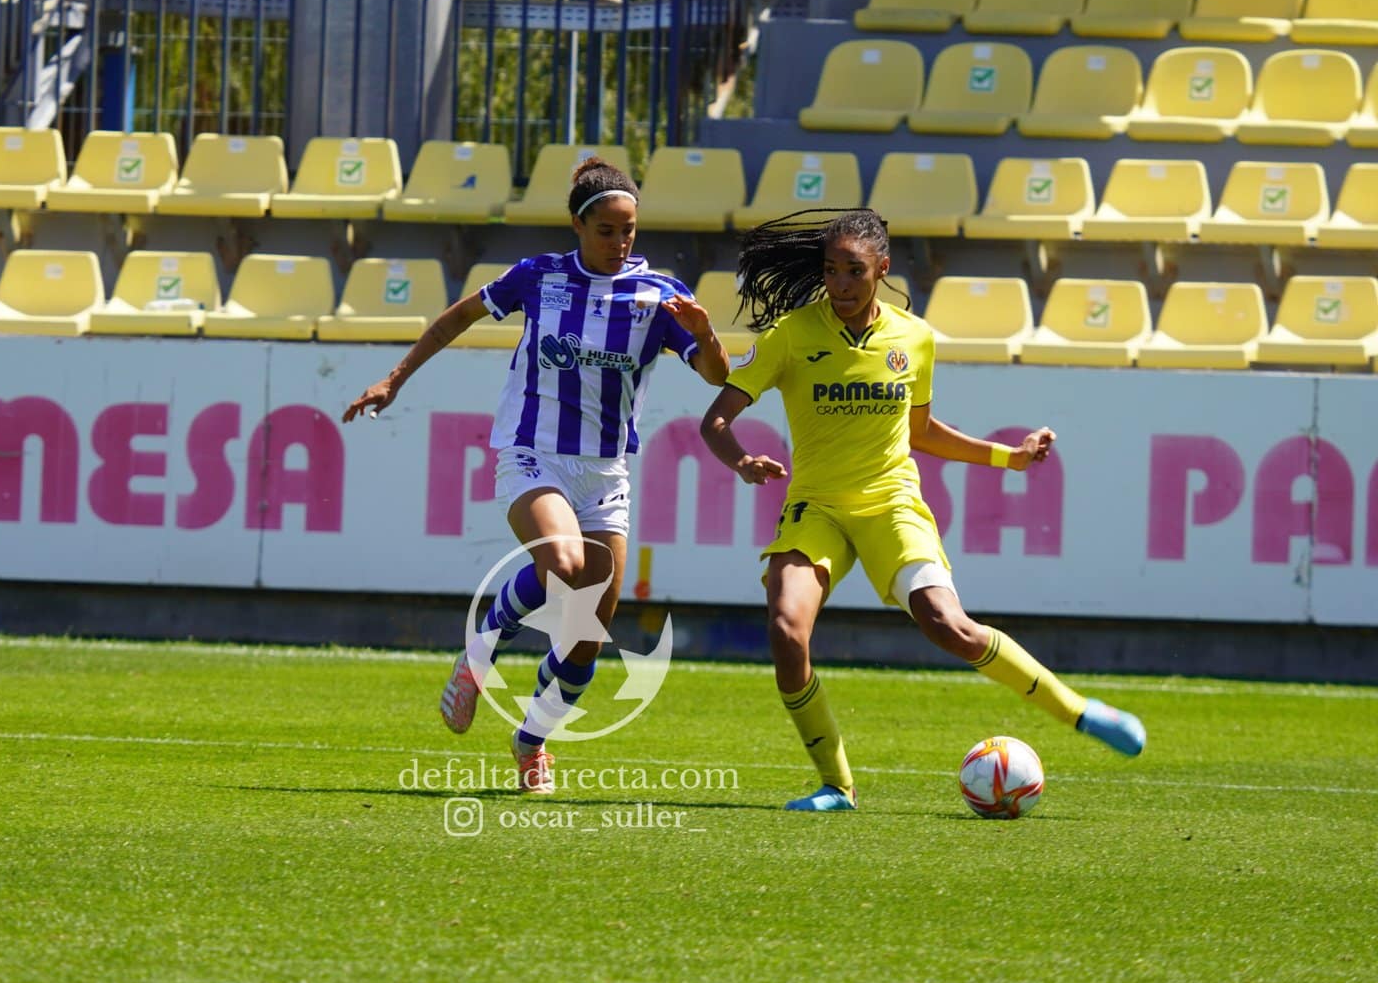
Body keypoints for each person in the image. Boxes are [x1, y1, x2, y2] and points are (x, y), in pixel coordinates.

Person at [698, 208, 1145, 812]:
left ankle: (1081, 712)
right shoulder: (790, 336)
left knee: (950, 627)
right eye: (831, 271)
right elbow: (716, 419)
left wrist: (1008, 459)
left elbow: (922, 431)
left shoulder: (915, 338)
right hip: (817, 508)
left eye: (855, 270)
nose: (841, 284)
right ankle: (837, 784)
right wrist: (741, 461)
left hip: (892, 506)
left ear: (882, 268)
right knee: (785, 630)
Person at [344, 156, 730, 793]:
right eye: (607, 229)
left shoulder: (657, 296)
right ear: (578, 226)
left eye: (629, 229)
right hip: (533, 453)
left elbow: (716, 375)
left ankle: (531, 742)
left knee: (587, 638)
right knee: (565, 566)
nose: (620, 241)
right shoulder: (538, 277)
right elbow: (457, 317)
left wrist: (705, 333)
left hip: (605, 471)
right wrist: (394, 378)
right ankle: (480, 653)